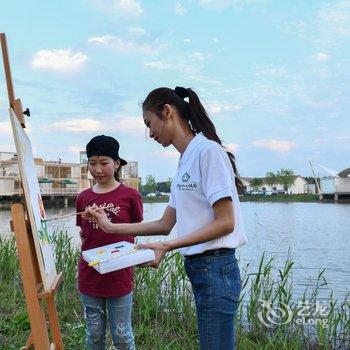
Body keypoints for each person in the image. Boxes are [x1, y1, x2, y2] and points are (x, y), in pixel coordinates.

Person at [84, 87, 248, 350]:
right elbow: (164, 224)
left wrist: (168, 245)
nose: (150, 133)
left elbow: (226, 222)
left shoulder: (207, 151)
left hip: (216, 268)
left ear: (167, 112)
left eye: (149, 124)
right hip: (201, 268)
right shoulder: (185, 161)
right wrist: (110, 227)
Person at [77, 135, 143, 350]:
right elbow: (83, 234)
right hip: (90, 274)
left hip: (119, 274)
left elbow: (136, 229)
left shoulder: (131, 195)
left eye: (104, 163)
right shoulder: (83, 197)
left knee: (122, 335)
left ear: (117, 163)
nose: (98, 169)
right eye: (92, 163)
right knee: (94, 334)